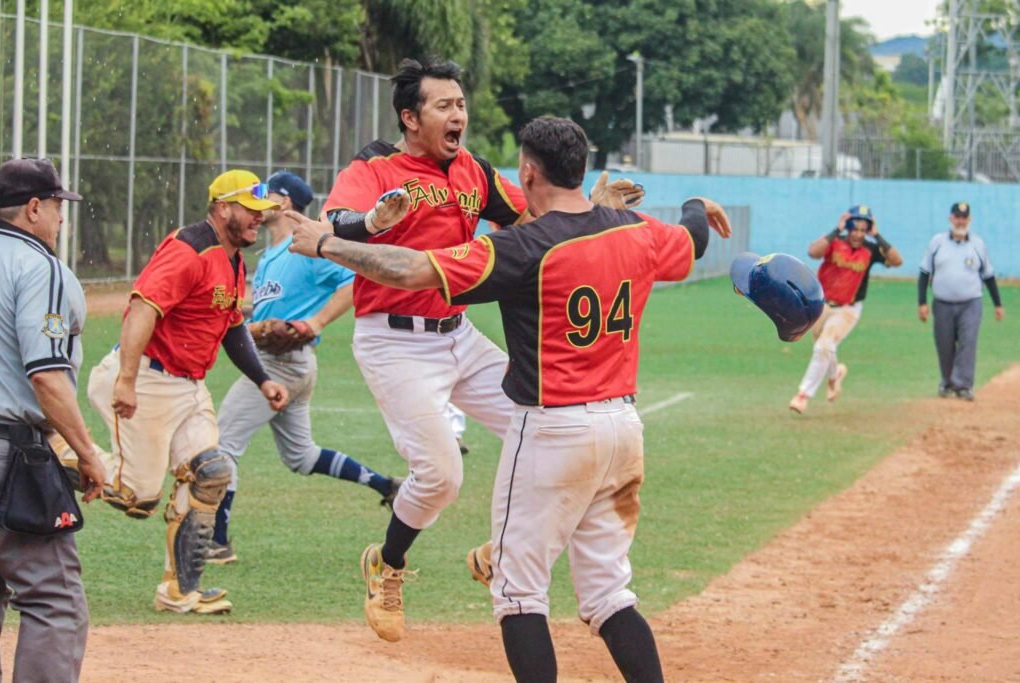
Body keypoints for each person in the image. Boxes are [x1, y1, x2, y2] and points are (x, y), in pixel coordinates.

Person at [290, 115, 732, 682]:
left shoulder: (522, 247)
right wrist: (696, 202)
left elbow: (411, 269)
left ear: (527, 171)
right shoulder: (633, 229)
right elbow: (691, 238)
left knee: (519, 596)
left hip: (553, 431)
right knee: (608, 596)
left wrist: (326, 243)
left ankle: (454, 556)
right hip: (623, 429)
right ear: (583, 168)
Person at [315, 57, 643, 642]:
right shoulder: (376, 165)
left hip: (458, 335)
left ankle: (505, 551)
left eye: (460, 104)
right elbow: (334, 222)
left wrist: (596, 203)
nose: (458, 115)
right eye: (444, 106)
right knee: (441, 477)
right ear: (410, 117)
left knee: (551, 427)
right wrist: (370, 220)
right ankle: (386, 564)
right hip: (394, 342)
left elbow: (542, 215)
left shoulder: (473, 171)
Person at [86, 170, 290, 615]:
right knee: (136, 498)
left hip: (188, 386)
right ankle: (63, 450)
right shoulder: (190, 250)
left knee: (211, 472)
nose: (258, 220)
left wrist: (263, 379)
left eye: (262, 213)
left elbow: (232, 326)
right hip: (147, 378)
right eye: (250, 211)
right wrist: (125, 379)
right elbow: (142, 307)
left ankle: (178, 591)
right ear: (222, 209)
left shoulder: (233, 258)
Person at [207, 171, 403, 565]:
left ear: (284, 202)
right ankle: (386, 484)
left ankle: (217, 541)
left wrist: (315, 323)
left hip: (280, 364)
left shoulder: (304, 250)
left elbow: (352, 282)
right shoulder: (268, 258)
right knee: (301, 456)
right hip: (287, 363)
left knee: (222, 444)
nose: (259, 202)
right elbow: (261, 311)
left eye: (266, 193)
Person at [0, 157, 106, 680]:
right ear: (34, 208)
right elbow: (46, 376)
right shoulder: (38, 266)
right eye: (58, 206)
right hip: (7, 451)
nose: (62, 217)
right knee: (54, 601)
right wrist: (87, 452)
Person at [788, 205, 903, 414]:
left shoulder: (871, 249)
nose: (858, 234)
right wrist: (836, 230)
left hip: (848, 310)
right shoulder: (835, 242)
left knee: (824, 346)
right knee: (825, 347)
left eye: (863, 229)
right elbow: (813, 252)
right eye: (854, 228)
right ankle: (834, 376)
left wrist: (877, 236)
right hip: (820, 305)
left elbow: (897, 260)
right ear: (847, 228)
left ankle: (803, 395)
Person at [917, 201, 1004, 400]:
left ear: (969, 220)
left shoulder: (978, 244)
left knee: (968, 342)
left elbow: (988, 276)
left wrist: (997, 304)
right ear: (951, 218)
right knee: (944, 344)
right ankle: (947, 383)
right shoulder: (937, 242)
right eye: (957, 217)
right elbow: (924, 272)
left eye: (964, 217)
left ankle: (964, 385)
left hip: (970, 303)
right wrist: (921, 302)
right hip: (942, 303)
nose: (960, 221)